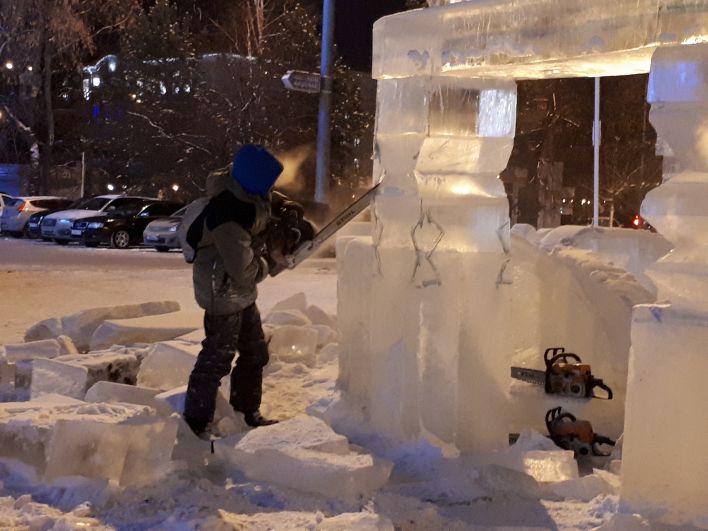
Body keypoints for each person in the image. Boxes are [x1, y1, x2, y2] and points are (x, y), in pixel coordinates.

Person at [183, 144, 283, 436]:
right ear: (255, 181)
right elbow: (244, 272)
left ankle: (246, 413)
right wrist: (271, 263)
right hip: (222, 290)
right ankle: (195, 424)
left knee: (255, 353)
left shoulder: (247, 194)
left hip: (240, 292)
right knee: (216, 358)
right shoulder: (227, 216)